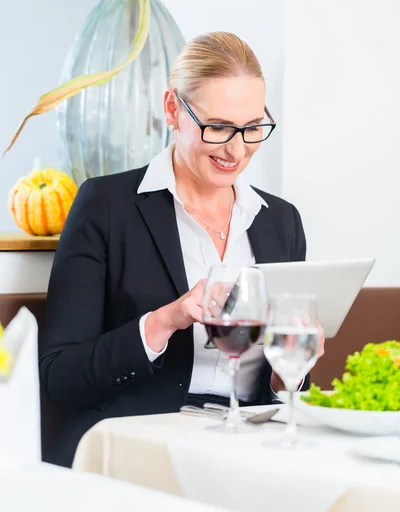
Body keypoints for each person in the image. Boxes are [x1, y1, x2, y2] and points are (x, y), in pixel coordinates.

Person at [40, 31, 325, 468]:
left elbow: (281, 393)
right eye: (218, 128)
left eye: (252, 128)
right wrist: (166, 320)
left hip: (249, 449)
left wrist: (289, 368)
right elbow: (60, 377)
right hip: (137, 446)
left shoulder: (280, 221)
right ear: (173, 109)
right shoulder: (105, 206)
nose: (237, 149)